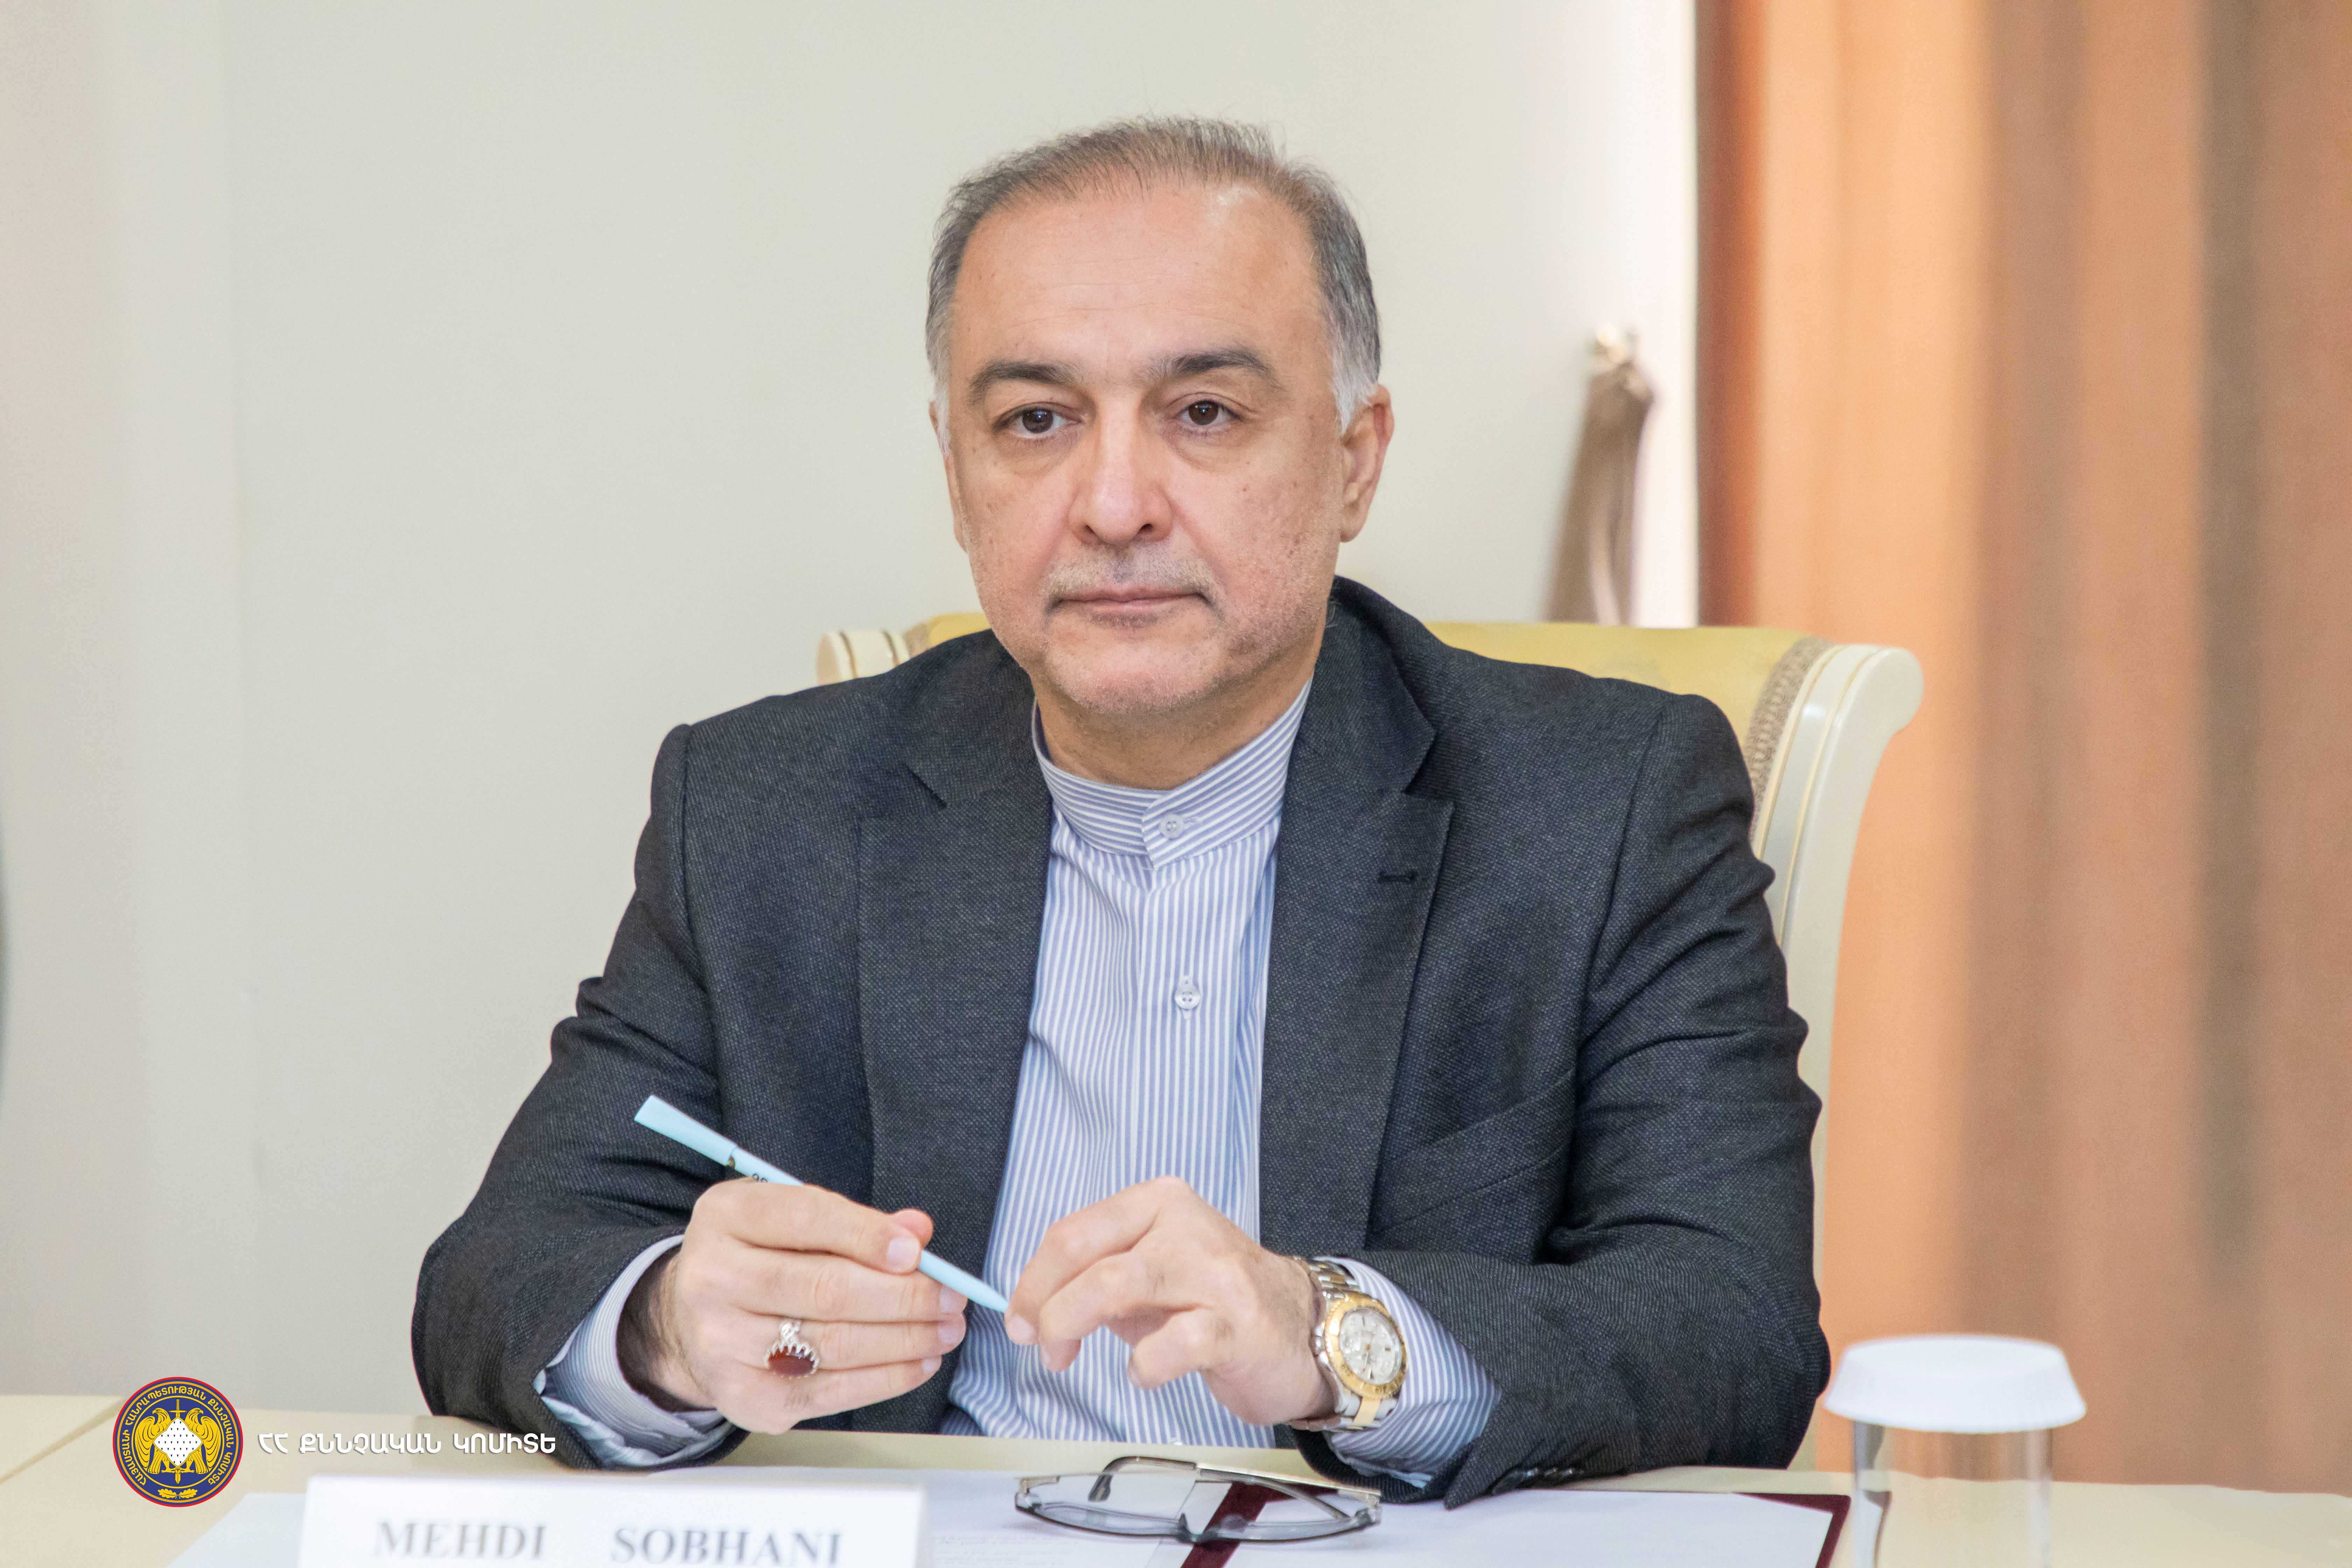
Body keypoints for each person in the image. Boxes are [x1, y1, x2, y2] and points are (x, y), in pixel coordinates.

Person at [414, 117, 1827, 1507]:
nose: (1112, 504)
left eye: (1204, 413)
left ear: (1354, 459)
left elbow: (1733, 1325)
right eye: (1035, 421)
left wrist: (1333, 1335)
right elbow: (492, 1281)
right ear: (956, 474)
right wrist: (667, 1326)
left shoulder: (1605, 803)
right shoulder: (764, 810)